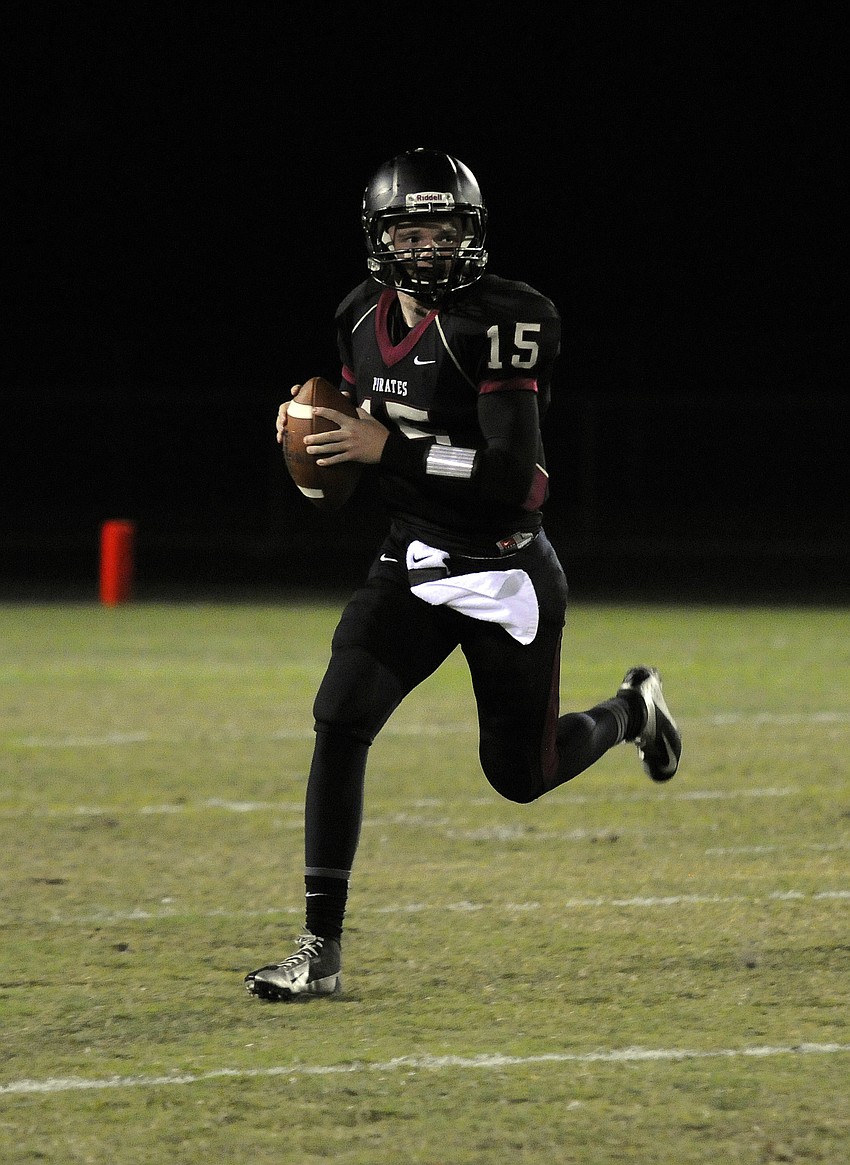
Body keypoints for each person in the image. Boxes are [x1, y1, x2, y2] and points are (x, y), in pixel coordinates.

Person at [244, 148, 681, 1001]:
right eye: (412, 233)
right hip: (412, 559)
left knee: (521, 776)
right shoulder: (358, 313)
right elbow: (359, 419)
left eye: (444, 231)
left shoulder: (507, 319)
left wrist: (390, 449)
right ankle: (320, 947)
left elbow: (520, 478)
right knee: (340, 715)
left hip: (505, 569)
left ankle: (632, 710)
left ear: (471, 233)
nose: (431, 249)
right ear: (380, 238)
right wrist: (310, 426)